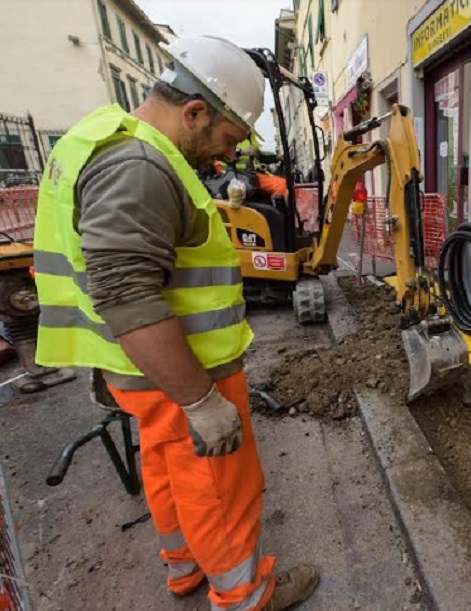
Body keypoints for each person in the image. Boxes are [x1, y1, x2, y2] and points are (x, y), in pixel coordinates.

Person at [32, 35, 319, 611]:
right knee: (217, 484)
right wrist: (201, 401)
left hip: (140, 370)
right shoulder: (139, 166)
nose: (222, 157)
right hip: (182, 368)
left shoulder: (107, 137)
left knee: (166, 468)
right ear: (193, 111)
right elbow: (126, 293)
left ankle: (185, 568)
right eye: (226, 138)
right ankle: (244, 592)